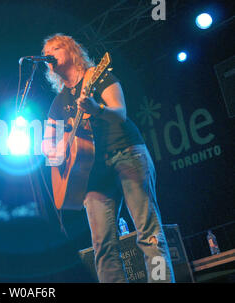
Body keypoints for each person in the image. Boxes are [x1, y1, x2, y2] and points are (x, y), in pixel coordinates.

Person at [41, 34, 175, 283]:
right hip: (92, 175)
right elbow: (45, 143)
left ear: (72, 51)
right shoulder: (58, 102)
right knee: (102, 247)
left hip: (126, 154)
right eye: (46, 52)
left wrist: (97, 109)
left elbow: (120, 113)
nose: (49, 54)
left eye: (56, 48)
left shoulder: (99, 75)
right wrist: (56, 151)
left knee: (148, 233)